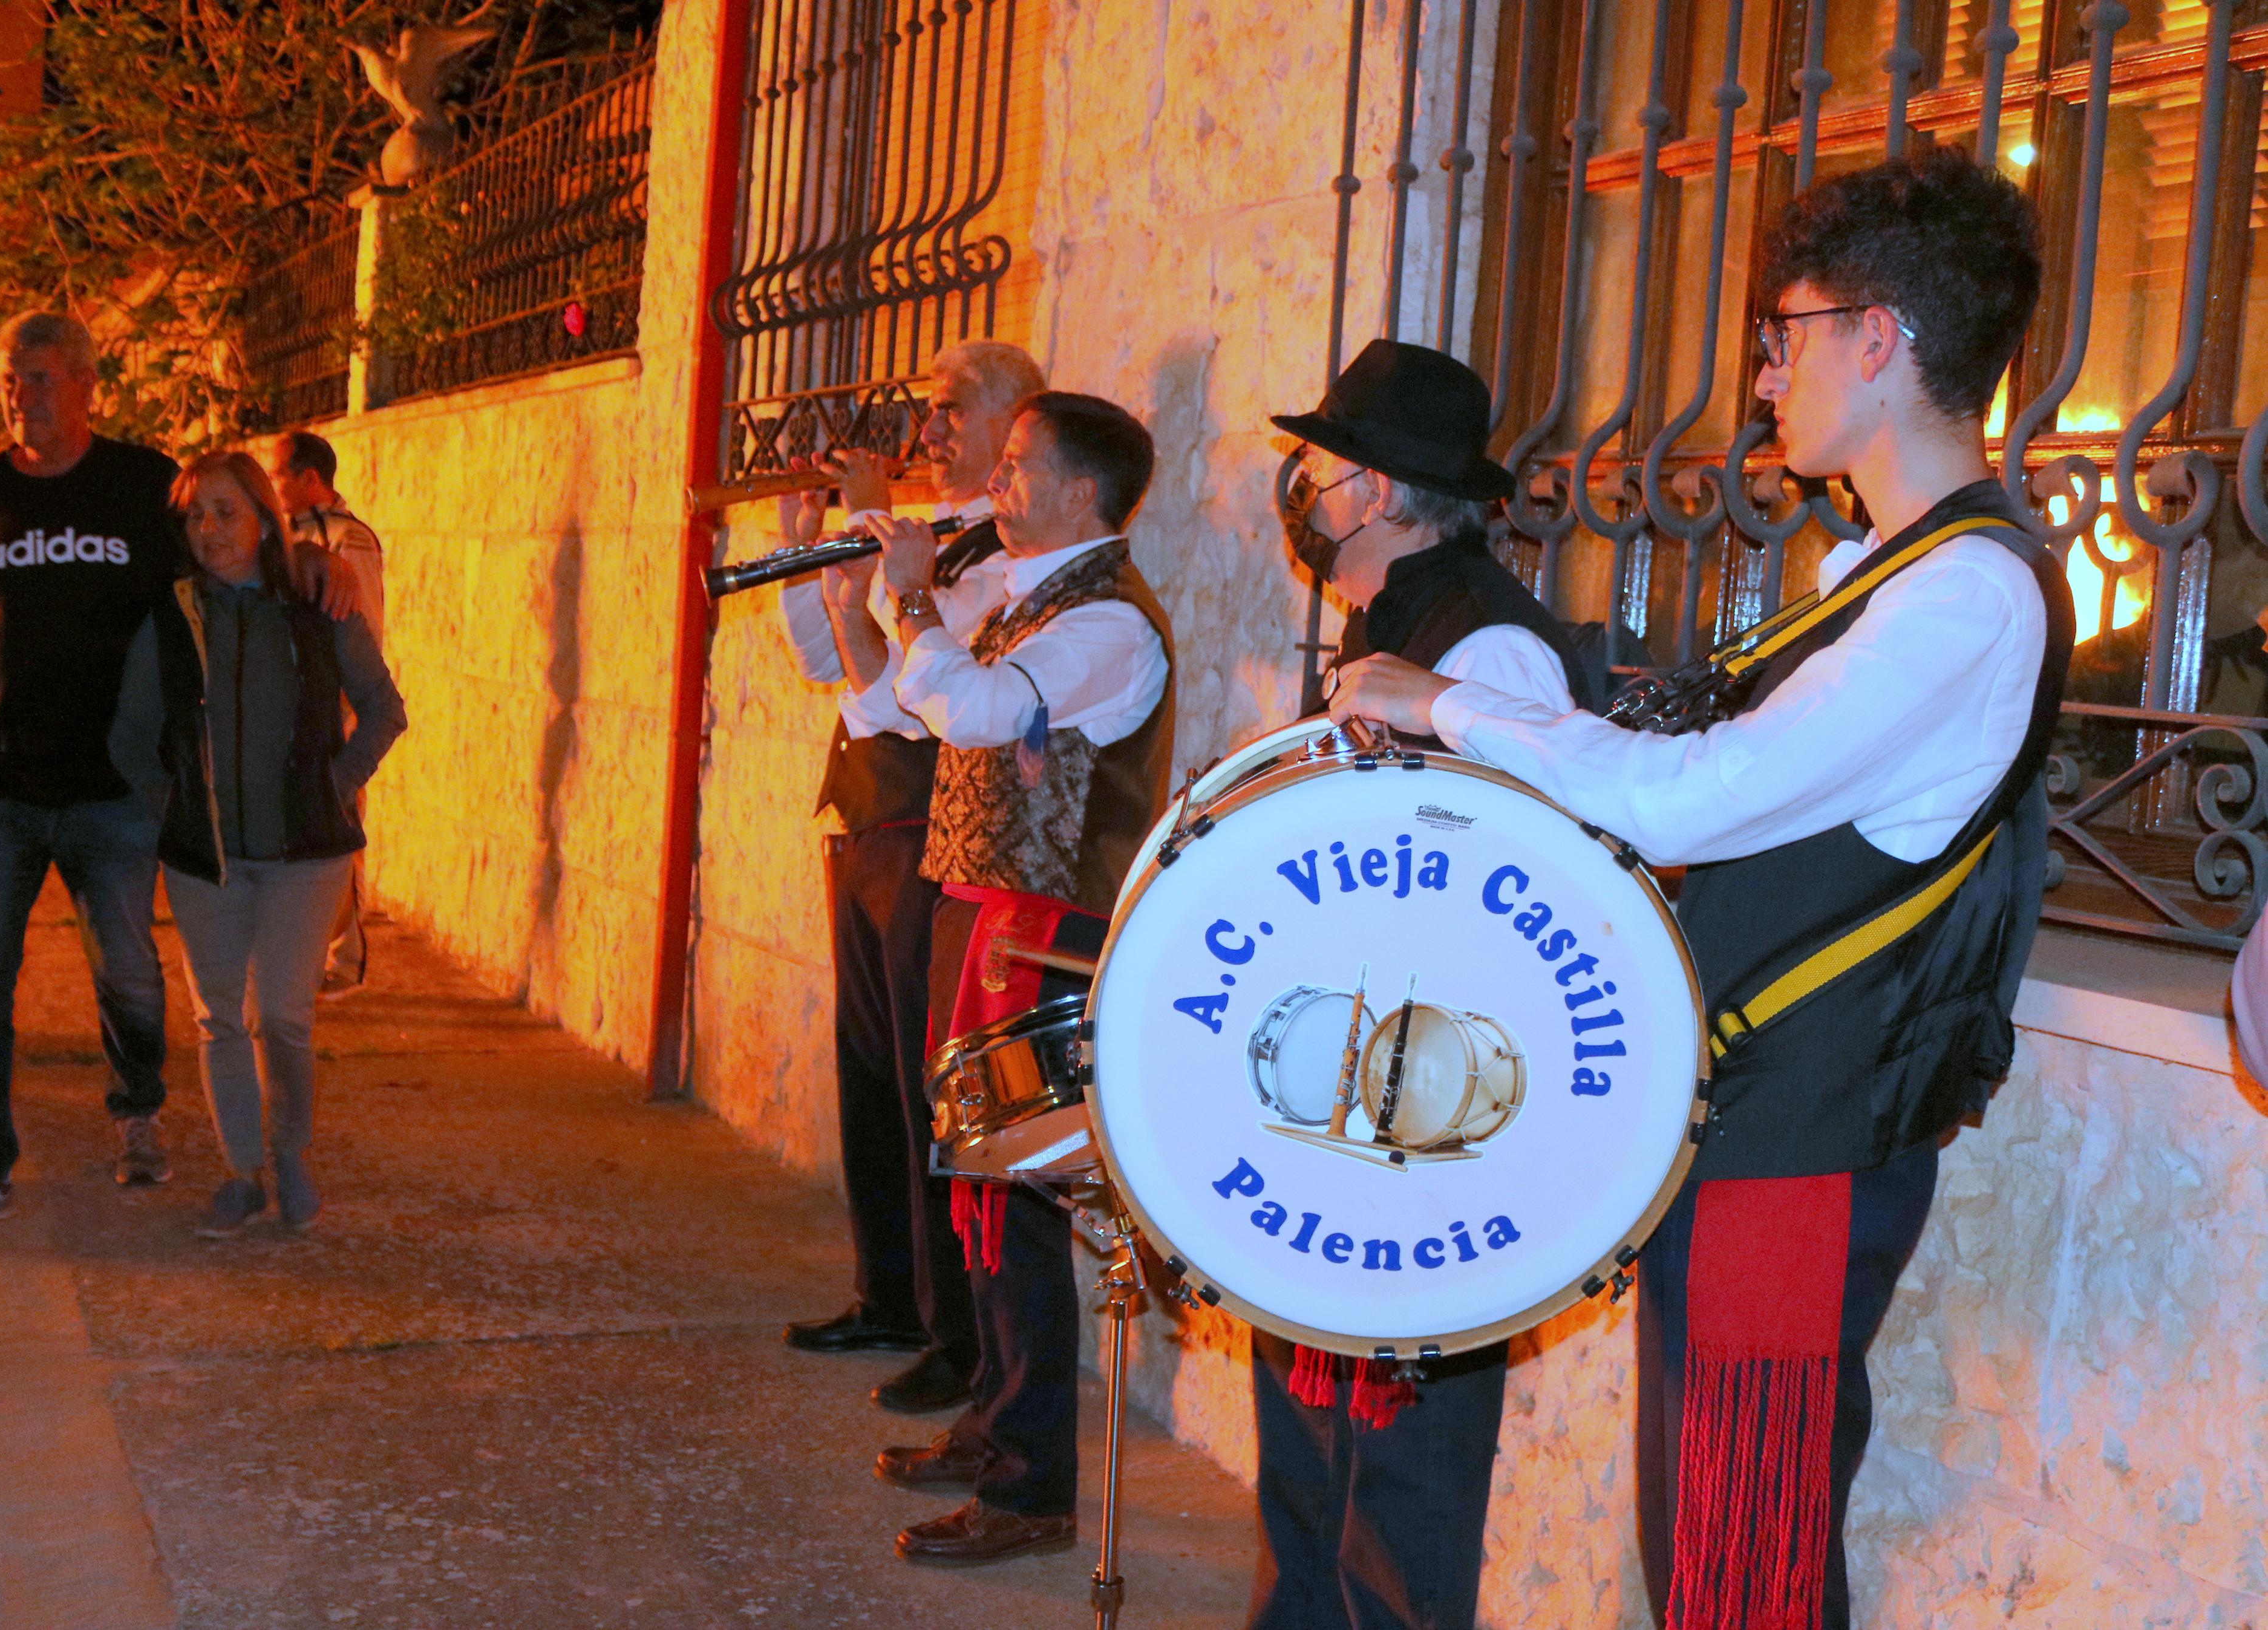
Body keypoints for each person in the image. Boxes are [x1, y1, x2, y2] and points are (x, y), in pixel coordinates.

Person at [1329, 146, 2065, 1630]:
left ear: (1878, 338)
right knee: (1718, 1534)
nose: (1759, 379)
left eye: (1780, 336)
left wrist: (1451, 708)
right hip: (1755, 1126)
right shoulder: (1890, 564)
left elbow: (1697, 797)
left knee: (1743, 1553)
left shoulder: (1964, 592)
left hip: (1797, 1140)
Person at [1249, 338, 1588, 1630]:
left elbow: (1514, 892)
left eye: (1319, 464)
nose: (1298, 483)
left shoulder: (1489, 653)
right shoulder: (1383, 620)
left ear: (1381, 494)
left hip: (1432, 1111)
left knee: (1400, 1472)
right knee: (1306, 1448)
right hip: (1345, 1077)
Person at [0, 309, 360, 1244]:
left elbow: (225, 545)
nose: (20, 396)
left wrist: (305, 553)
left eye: (38, 377)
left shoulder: (142, 486)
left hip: (116, 787)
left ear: (85, 385)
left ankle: (137, 1110)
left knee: (130, 970)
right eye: (7, 380)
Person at [868, 391, 1172, 1567]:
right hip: (992, 910)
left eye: (1013, 467)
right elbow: (907, 692)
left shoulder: (1110, 626)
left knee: (1023, 1205)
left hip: (1046, 933)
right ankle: (995, 1428)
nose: (993, 486)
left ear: (1079, 492)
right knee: (984, 1190)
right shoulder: (1030, 591)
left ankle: (1031, 1483)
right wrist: (909, 590)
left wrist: (908, 599)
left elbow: (979, 708)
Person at [774, 341, 1043, 1420]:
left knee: (924, 1090)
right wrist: (817, 552)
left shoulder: (992, 550)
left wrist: (883, 564)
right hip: (867, 824)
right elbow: (829, 669)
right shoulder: (922, 540)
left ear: (1015, 421)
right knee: (867, 1079)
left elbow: (911, 695)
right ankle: (886, 1290)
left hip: (932, 832)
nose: (928, 426)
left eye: (951, 409)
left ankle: (953, 1331)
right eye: (926, 407)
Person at [116, 451, 406, 1236]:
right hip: (205, 859)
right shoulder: (171, 617)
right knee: (218, 1017)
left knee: (281, 1014)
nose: (208, 528)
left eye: (225, 510)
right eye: (195, 514)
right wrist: (174, 808)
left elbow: (383, 708)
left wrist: (334, 784)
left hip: (306, 857)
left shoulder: (318, 601)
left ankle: (291, 1154)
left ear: (262, 517)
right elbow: (131, 736)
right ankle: (241, 1173)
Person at [267, 430, 386, 997]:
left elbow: (361, 624)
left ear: (309, 478)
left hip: (332, 704)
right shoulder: (284, 537)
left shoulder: (350, 539)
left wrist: (347, 705)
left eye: (279, 474)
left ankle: (346, 955)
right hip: (291, 705)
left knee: (338, 821)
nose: (272, 486)